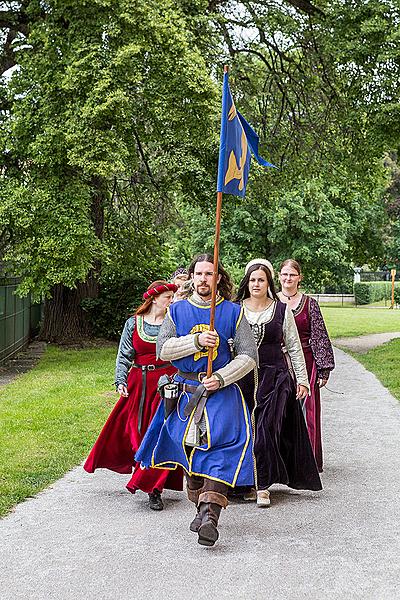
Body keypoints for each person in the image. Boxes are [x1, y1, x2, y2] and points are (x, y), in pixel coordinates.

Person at [136, 254, 258, 546]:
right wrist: (195, 341)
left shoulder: (232, 312)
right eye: (199, 273)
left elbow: (249, 355)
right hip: (186, 391)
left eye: (210, 274)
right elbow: (162, 350)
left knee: (224, 449)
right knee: (189, 453)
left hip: (221, 393)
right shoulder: (177, 311)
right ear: (192, 277)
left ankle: (210, 515)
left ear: (218, 278)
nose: (204, 279)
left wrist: (222, 377)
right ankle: (200, 507)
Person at [84, 280, 183, 511]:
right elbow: (124, 355)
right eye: (168, 297)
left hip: (165, 384)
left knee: (161, 433)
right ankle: (144, 474)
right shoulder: (134, 323)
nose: (171, 301)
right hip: (138, 384)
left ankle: (153, 488)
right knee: (136, 431)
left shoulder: (175, 323)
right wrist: (120, 380)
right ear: (155, 298)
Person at [236, 259, 322, 507]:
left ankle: (262, 486)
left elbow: (294, 347)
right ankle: (247, 483)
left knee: (265, 429)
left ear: (268, 283)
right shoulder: (236, 309)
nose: (256, 284)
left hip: (275, 379)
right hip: (242, 379)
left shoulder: (281, 310)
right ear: (247, 282)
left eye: (261, 279)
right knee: (246, 430)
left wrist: (302, 381)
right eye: (252, 279)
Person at [278, 259, 335, 472]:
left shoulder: (310, 304)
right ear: (279, 276)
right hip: (279, 362)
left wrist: (324, 368)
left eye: (292, 275)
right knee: (280, 411)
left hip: (307, 362)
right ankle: (282, 461)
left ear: (299, 277)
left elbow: (320, 337)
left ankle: (307, 461)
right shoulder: (272, 301)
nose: (288, 278)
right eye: (284, 274)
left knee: (307, 412)